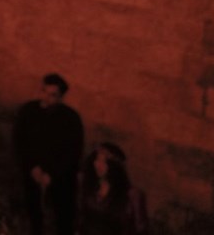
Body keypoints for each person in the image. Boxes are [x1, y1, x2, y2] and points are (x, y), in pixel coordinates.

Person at [15, 72, 84, 235]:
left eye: (52, 95)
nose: (46, 97)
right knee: (34, 215)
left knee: (61, 218)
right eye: (44, 92)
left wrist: (52, 174)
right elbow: (20, 142)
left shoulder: (70, 119)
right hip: (32, 174)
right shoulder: (28, 111)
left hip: (61, 180)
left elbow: (73, 151)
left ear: (60, 97)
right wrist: (32, 167)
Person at [80, 142, 148, 235]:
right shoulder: (90, 187)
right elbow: (82, 218)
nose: (98, 165)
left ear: (114, 166)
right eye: (97, 160)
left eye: (104, 162)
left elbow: (140, 229)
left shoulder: (132, 195)